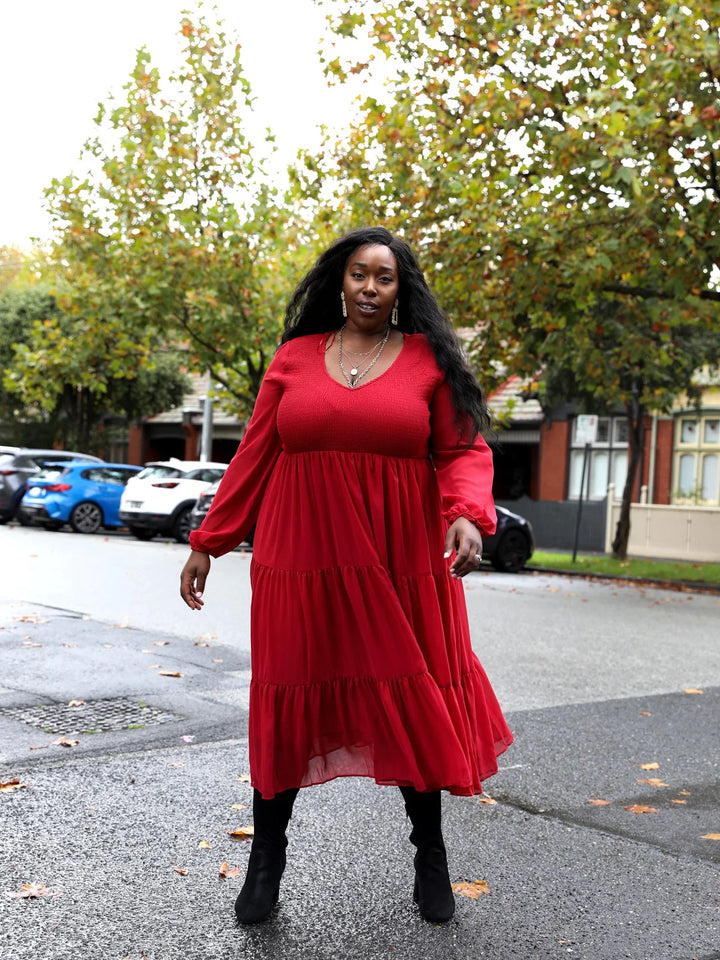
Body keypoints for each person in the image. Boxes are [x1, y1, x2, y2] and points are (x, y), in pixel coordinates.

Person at [180, 226, 513, 925]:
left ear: (401, 290)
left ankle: (430, 855)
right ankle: (266, 860)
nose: (369, 286)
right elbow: (254, 457)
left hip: (399, 558)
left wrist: (466, 515)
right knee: (290, 692)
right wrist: (208, 541)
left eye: (384, 277)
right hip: (300, 560)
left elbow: (462, 449)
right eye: (359, 273)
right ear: (341, 281)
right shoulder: (296, 358)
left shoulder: (428, 361)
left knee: (409, 689)